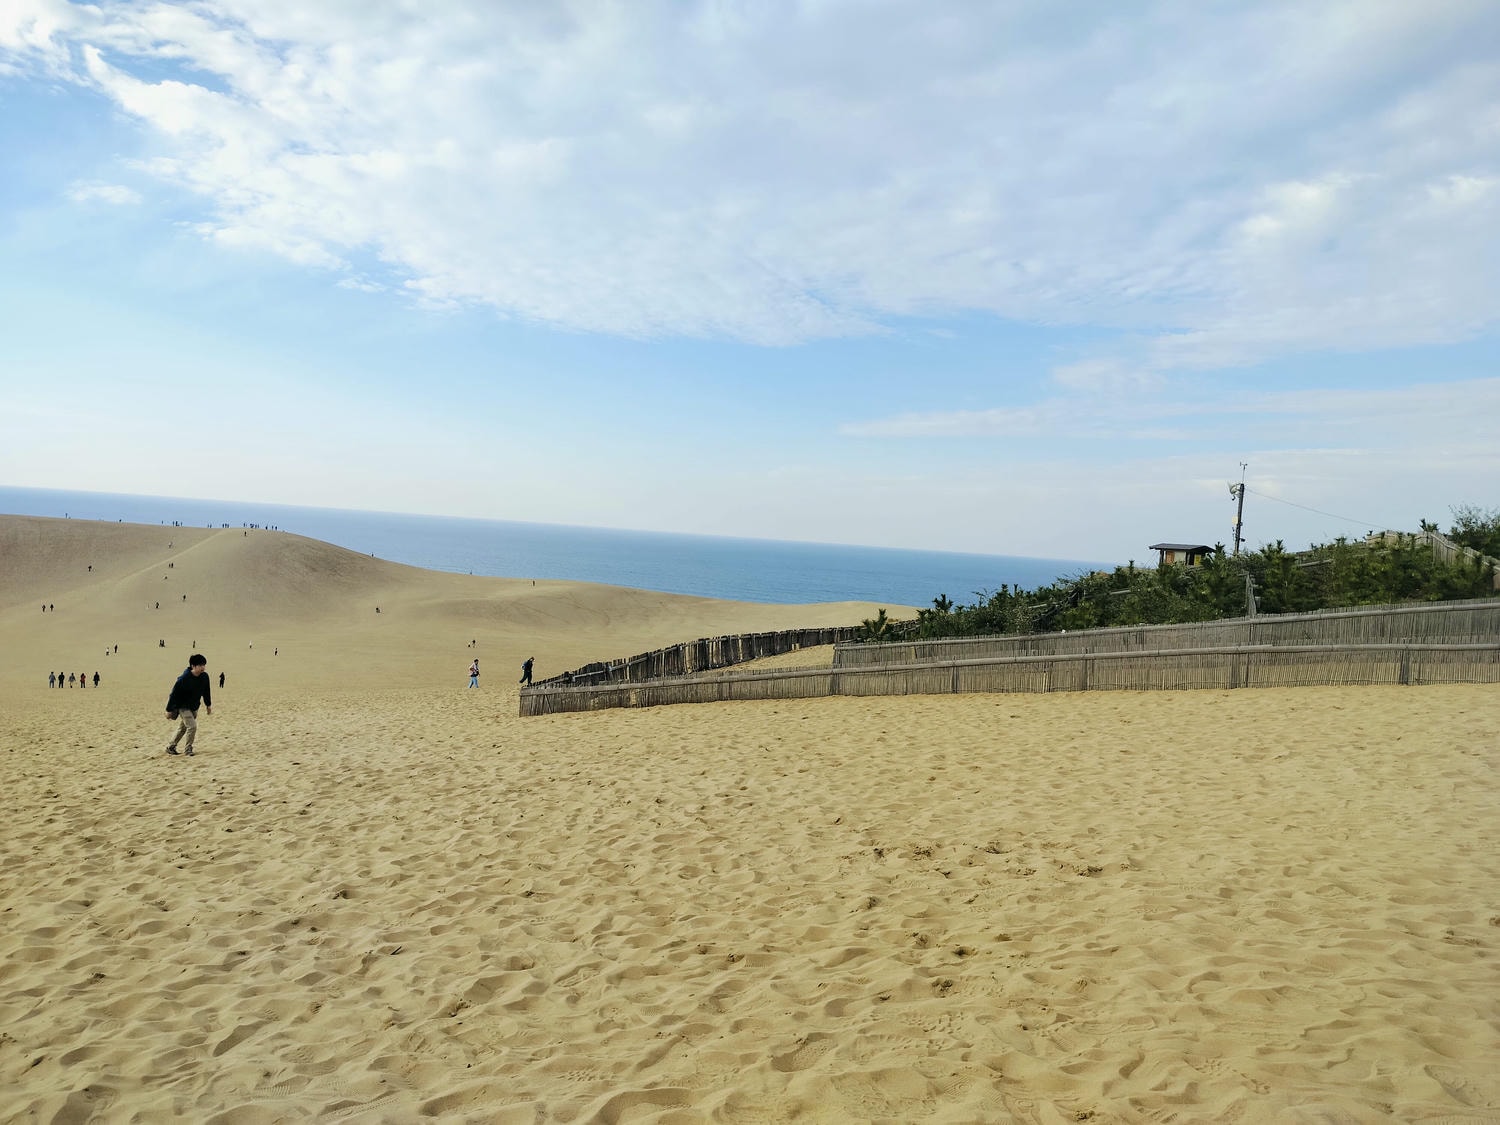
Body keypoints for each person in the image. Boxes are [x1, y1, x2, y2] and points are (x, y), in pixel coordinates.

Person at [165, 653, 213, 756]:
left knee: (183, 728)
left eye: (204, 665)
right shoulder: (183, 679)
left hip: (194, 706)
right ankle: (188, 749)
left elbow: (206, 691)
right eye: (200, 665)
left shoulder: (204, 677)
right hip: (183, 706)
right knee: (192, 726)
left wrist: (208, 705)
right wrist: (169, 710)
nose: (203, 668)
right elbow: (173, 694)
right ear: (193, 666)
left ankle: (171, 747)